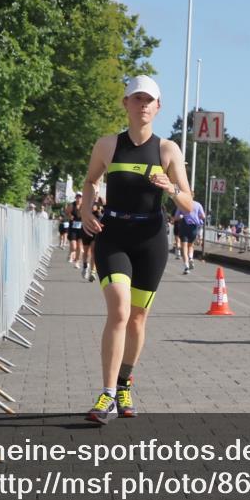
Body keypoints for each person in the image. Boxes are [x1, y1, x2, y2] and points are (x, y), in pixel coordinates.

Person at [82, 76, 193, 424]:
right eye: (137, 98)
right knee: (119, 310)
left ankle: (125, 381)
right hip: (113, 234)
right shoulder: (107, 145)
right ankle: (107, 395)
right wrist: (86, 209)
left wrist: (171, 187)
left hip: (150, 239)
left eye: (150, 100)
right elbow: (90, 181)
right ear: (125, 104)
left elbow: (189, 204)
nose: (143, 105)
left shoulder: (168, 150)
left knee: (137, 319)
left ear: (158, 108)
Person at [178, 198, 205, 274]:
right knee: (191, 245)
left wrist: (181, 216)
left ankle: (186, 267)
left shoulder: (181, 204)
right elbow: (203, 216)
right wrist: (196, 217)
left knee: (184, 247)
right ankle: (191, 258)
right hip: (194, 228)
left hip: (184, 226)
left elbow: (177, 217)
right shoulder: (198, 204)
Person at [67, 193, 84, 265]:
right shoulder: (72, 205)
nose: (78, 198)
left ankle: (77, 261)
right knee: (74, 246)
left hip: (81, 228)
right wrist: (70, 215)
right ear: (75, 197)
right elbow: (67, 212)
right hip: (73, 227)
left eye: (80, 197)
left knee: (79, 247)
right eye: (77, 197)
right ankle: (71, 254)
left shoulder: (84, 205)